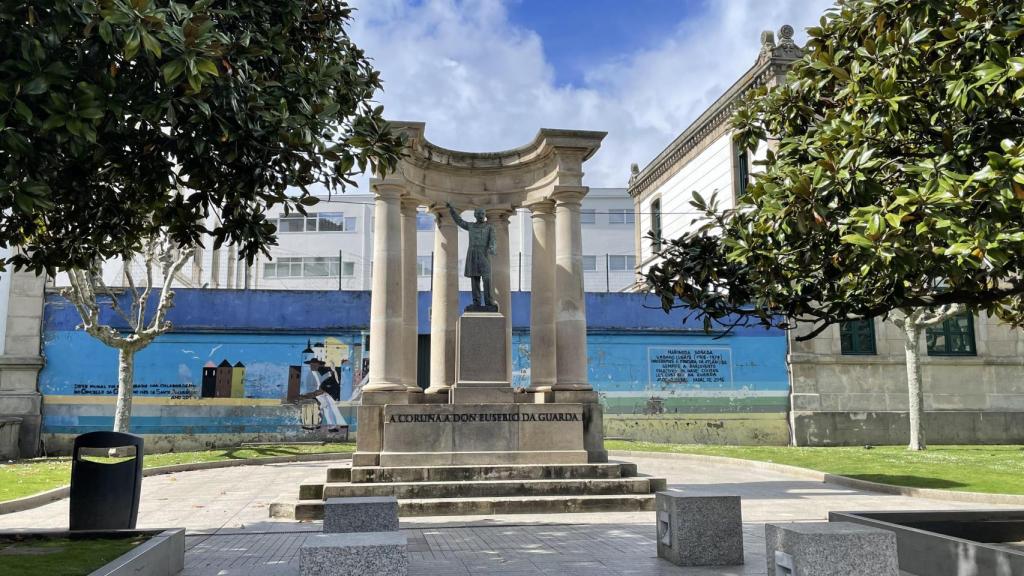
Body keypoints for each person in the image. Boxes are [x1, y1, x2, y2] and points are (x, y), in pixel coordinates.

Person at [447, 202, 497, 309]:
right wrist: (451, 209)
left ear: (485, 215)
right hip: (473, 254)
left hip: (484, 254)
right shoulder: (471, 226)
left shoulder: (490, 227)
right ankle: (476, 302)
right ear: (475, 215)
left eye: (482, 213)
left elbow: (492, 240)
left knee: (487, 279)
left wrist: (492, 248)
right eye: (478, 213)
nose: (480, 215)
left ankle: (489, 301)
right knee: (475, 280)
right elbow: (459, 221)